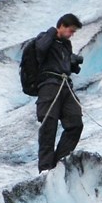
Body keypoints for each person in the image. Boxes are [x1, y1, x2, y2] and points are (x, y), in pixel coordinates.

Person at [34, 13, 84, 173]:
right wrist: (52, 32)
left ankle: (58, 163)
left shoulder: (66, 45)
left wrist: (73, 64)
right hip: (49, 86)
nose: (71, 34)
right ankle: (45, 169)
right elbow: (40, 49)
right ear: (61, 26)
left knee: (75, 123)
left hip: (64, 85)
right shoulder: (44, 37)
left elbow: (65, 63)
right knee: (49, 127)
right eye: (70, 30)